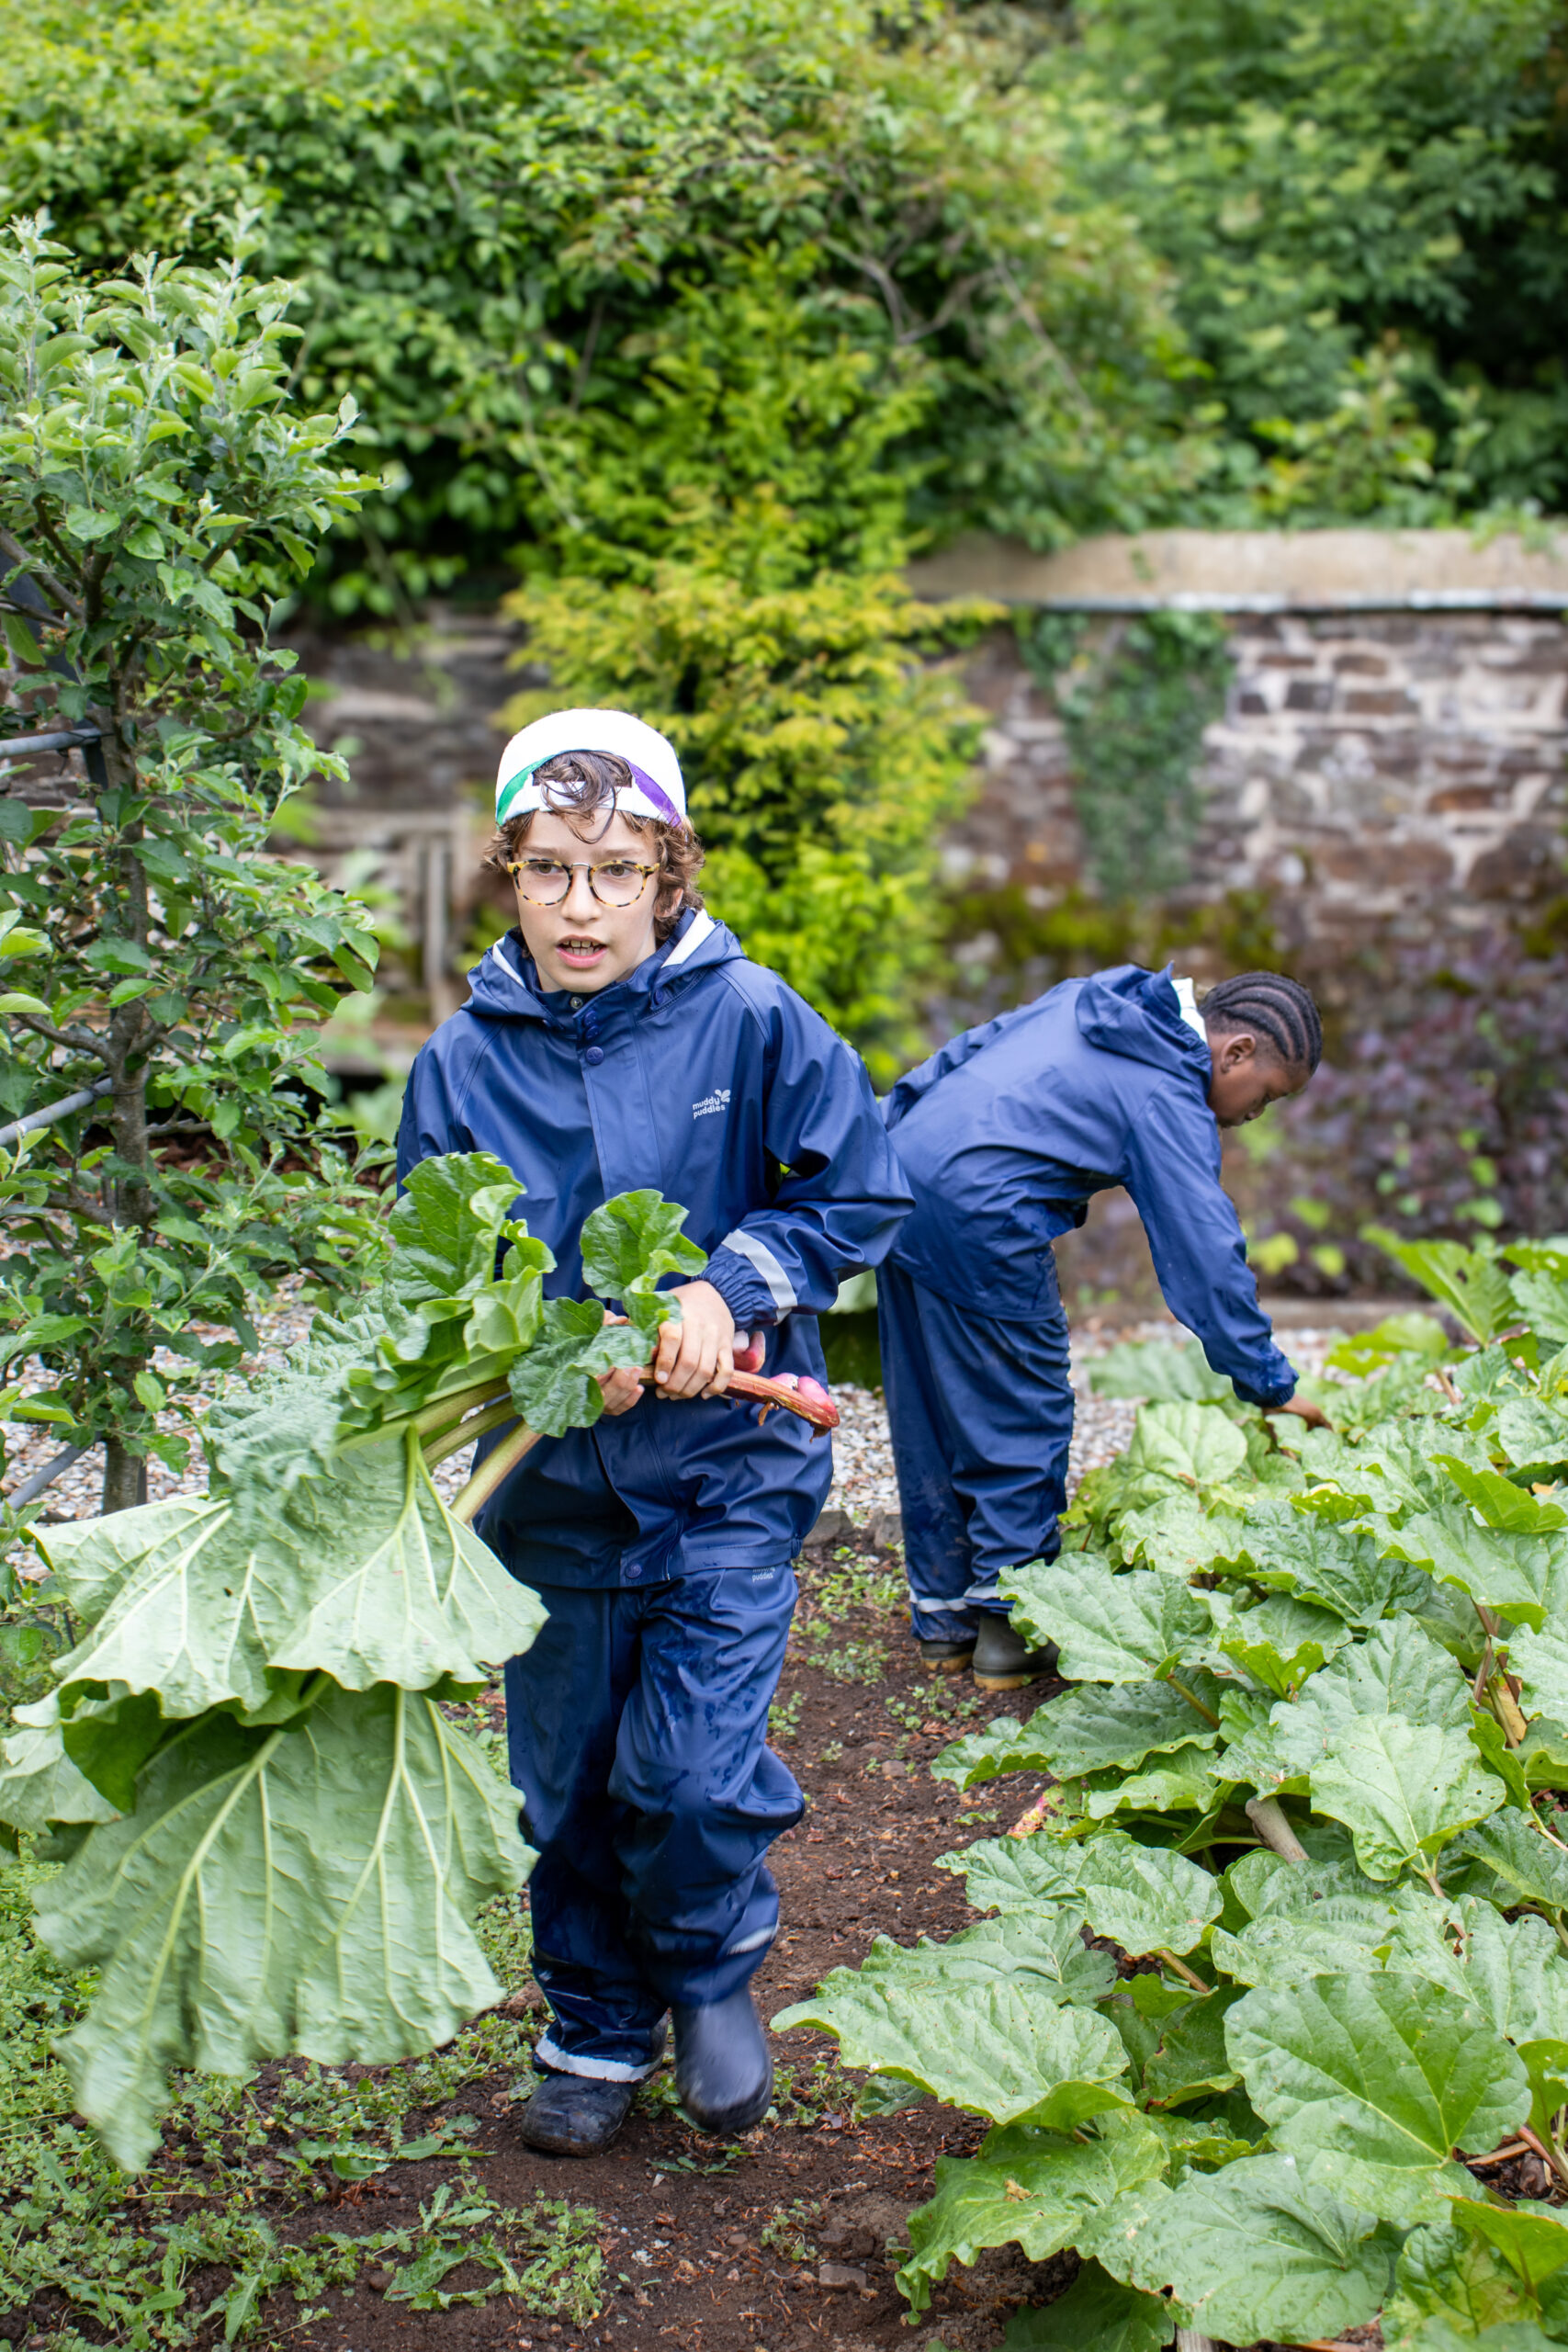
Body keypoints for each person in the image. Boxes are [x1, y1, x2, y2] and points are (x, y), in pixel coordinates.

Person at [397, 707, 911, 2157]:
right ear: (507, 870)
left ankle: (703, 1978)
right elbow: (425, 1273)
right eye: (549, 869)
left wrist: (726, 1286)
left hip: (723, 1484)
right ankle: (591, 2029)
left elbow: (856, 1193)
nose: (580, 905)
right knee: (559, 1787)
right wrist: (537, 1351)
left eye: (615, 872)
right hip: (548, 1496)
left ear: (666, 876)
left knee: (682, 1773)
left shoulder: (751, 1021)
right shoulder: (458, 1065)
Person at [877, 964, 1330, 1690]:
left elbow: (967, 1050)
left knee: (929, 1403)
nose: (1255, 1114)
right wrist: (1268, 1383)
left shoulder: (1101, 1001)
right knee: (1020, 1407)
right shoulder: (1165, 1088)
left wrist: (878, 1141)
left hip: (898, 1178)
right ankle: (1011, 1623)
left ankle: (944, 1622)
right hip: (981, 1213)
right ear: (1236, 1052)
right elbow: (1203, 1254)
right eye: (1267, 1096)